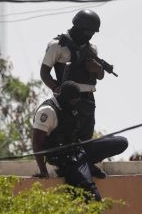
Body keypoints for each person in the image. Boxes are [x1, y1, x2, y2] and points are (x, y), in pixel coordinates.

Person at [31, 80, 128, 201]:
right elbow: (36, 143)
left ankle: (88, 164)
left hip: (79, 150)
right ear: (65, 98)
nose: (75, 104)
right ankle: (84, 168)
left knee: (121, 142)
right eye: (73, 101)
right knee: (93, 199)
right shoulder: (48, 111)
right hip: (66, 161)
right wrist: (43, 171)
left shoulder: (72, 107)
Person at [40, 9, 106, 141]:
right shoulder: (57, 45)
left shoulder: (92, 49)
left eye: (92, 33)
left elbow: (100, 75)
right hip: (68, 98)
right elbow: (44, 72)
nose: (89, 35)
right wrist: (55, 88)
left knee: (85, 138)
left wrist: (98, 69)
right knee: (68, 135)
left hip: (88, 100)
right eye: (87, 31)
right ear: (78, 27)